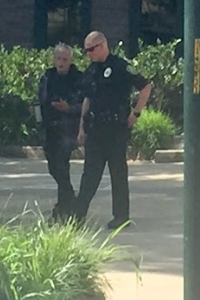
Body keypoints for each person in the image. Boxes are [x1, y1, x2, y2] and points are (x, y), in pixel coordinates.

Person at [72, 31, 152, 229]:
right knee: (89, 175)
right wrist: (82, 128)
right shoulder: (91, 71)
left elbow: (145, 87)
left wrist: (136, 113)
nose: (88, 54)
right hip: (95, 129)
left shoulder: (120, 66)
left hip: (116, 130)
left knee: (118, 174)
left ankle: (121, 217)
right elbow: (87, 99)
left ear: (102, 45)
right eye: (86, 50)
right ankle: (77, 217)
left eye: (91, 49)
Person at [35, 43, 85, 220]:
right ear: (54, 59)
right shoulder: (47, 77)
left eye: (65, 59)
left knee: (61, 167)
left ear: (70, 61)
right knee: (54, 169)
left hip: (68, 128)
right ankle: (69, 202)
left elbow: (85, 106)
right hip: (49, 129)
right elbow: (40, 99)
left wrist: (68, 108)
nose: (61, 62)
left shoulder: (78, 78)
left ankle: (63, 208)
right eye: (59, 59)